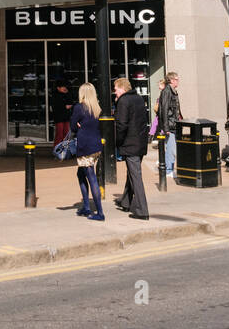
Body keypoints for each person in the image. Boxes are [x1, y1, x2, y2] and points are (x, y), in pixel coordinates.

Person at [113, 77, 150, 220]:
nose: (114, 92)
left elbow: (121, 125)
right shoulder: (139, 99)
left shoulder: (123, 101)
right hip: (140, 142)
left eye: (115, 89)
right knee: (132, 173)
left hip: (130, 143)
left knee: (135, 176)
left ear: (122, 88)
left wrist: (117, 143)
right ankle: (126, 201)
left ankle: (142, 210)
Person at [70, 83, 105, 221]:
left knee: (91, 178)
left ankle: (100, 213)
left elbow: (73, 126)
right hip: (96, 145)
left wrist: (78, 124)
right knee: (80, 174)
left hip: (85, 147)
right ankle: (86, 207)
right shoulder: (96, 108)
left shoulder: (79, 108)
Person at [156, 72, 182, 174]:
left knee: (172, 147)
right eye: (176, 79)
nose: (178, 81)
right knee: (170, 148)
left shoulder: (172, 91)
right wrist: (166, 127)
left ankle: (169, 169)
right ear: (171, 80)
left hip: (173, 124)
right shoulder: (167, 91)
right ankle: (168, 170)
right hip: (170, 125)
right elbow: (164, 110)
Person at [50, 82, 73, 147]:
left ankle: (65, 149)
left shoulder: (67, 94)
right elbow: (55, 107)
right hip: (59, 117)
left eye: (65, 87)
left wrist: (67, 94)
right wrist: (64, 107)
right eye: (63, 87)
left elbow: (71, 103)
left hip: (66, 117)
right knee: (59, 134)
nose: (64, 88)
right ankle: (57, 149)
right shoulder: (55, 95)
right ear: (58, 88)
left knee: (66, 134)